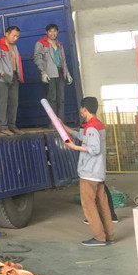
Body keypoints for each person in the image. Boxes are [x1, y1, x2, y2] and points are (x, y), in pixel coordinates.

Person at [59, 96, 114, 246]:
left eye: (81, 109)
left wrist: (73, 147)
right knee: (102, 205)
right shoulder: (97, 125)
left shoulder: (91, 127)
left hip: (90, 172)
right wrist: (63, 126)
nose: (80, 112)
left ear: (85, 109)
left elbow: (94, 149)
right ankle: (109, 235)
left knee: (89, 205)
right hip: (98, 172)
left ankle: (99, 237)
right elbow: (80, 135)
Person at [33, 23, 73, 122]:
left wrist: (67, 73)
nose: (52, 33)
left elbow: (63, 59)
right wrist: (43, 72)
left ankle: (61, 121)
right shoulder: (41, 43)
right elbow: (37, 58)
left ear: (57, 32)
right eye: (50, 31)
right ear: (46, 32)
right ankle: (53, 122)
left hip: (60, 72)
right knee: (52, 99)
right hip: (49, 73)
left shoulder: (59, 44)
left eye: (54, 31)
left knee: (61, 98)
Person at [0, 26, 23, 135]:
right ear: (7, 34)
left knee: (14, 102)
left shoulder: (15, 46)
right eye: (14, 36)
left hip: (14, 76)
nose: (15, 38)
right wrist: (2, 74)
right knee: (3, 102)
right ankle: (2, 126)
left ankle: (12, 125)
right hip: (1, 79)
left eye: (17, 36)